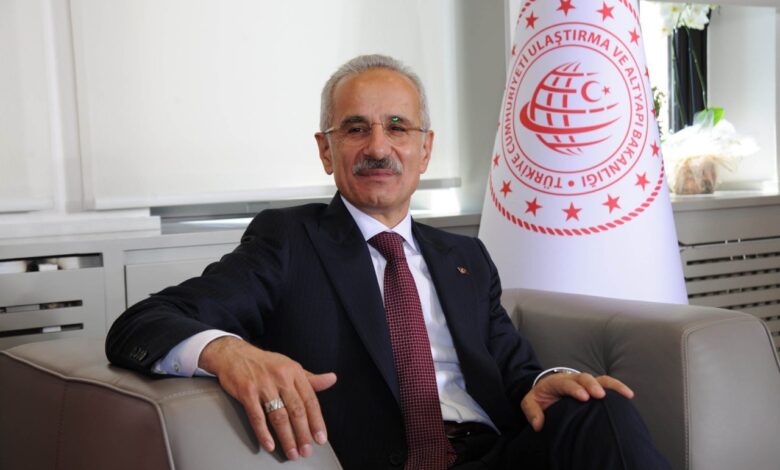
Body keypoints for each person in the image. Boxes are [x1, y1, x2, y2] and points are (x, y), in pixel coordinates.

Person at [106, 54, 669, 469]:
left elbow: (515, 369)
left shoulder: (465, 257)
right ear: (326, 150)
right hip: (384, 461)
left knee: (600, 408)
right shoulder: (288, 241)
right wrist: (228, 351)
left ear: (425, 149)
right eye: (356, 128)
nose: (378, 147)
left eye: (397, 127)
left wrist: (546, 380)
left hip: (496, 454)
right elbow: (142, 323)